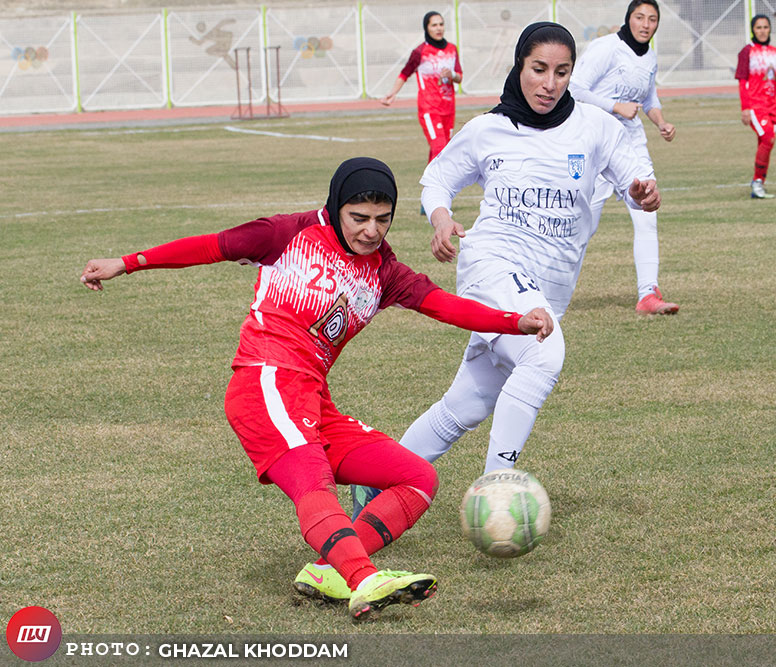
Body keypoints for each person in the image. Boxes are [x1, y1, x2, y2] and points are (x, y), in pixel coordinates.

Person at [79, 158, 554, 622]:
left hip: (313, 397)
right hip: (264, 381)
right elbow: (210, 246)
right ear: (335, 207)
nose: (371, 230)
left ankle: (331, 571)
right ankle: (364, 579)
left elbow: (445, 306)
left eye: (382, 220)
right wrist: (126, 263)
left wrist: (514, 322)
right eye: (359, 218)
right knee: (313, 480)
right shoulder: (287, 233)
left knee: (417, 478)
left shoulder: (383, 271)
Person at [352, 22, 662, 517]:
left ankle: (377, 477)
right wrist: (440, 218)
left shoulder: (595, 126)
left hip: (547, 286)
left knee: (469, 404)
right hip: (490, 266)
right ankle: (499, 485)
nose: (549, 83)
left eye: (562, 72)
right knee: (545, 350)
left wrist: (642, 192)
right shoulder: (488, 129)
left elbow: (633, 178)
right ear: (519, 67)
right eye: (538, 69)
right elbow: (437, 179)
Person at [568, 0, 679, 316]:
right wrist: (615, 106)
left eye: (652, 19)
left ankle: (648, 294)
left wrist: (661, 123)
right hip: (595, 142)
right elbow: (574, 89)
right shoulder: (606, 48)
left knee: (647, 212)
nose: (645, 24)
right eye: (640, 17)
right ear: (628, 19)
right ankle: (543, 287)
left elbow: (649, 99)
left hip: (631, 144)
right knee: (582, 226)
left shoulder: (650, 58)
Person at [380, 11, 463, 168]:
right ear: (427, 28)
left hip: (448, 108)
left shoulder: (452, 49)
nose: (438, 28)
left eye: (441, 24)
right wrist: (392, 93)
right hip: (430, 108)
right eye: (434, 25)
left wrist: (451, 74)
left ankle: (430, 187)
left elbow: (459, 76)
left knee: (444, 149)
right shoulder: (420, 52)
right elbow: (405, 73)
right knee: (440, 147)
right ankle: (436, 185)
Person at [735, 14, 776, 200]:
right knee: (768, 137)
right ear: (753, 30)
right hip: (755, 105)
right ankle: (757, 181)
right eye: (758, 27)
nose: (762, 31)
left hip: (771, 107)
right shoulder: (747, 52)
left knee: (766, 142)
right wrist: (745, 107)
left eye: (765, 27)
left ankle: (758, 183)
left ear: (770, 29)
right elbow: (742, 81)